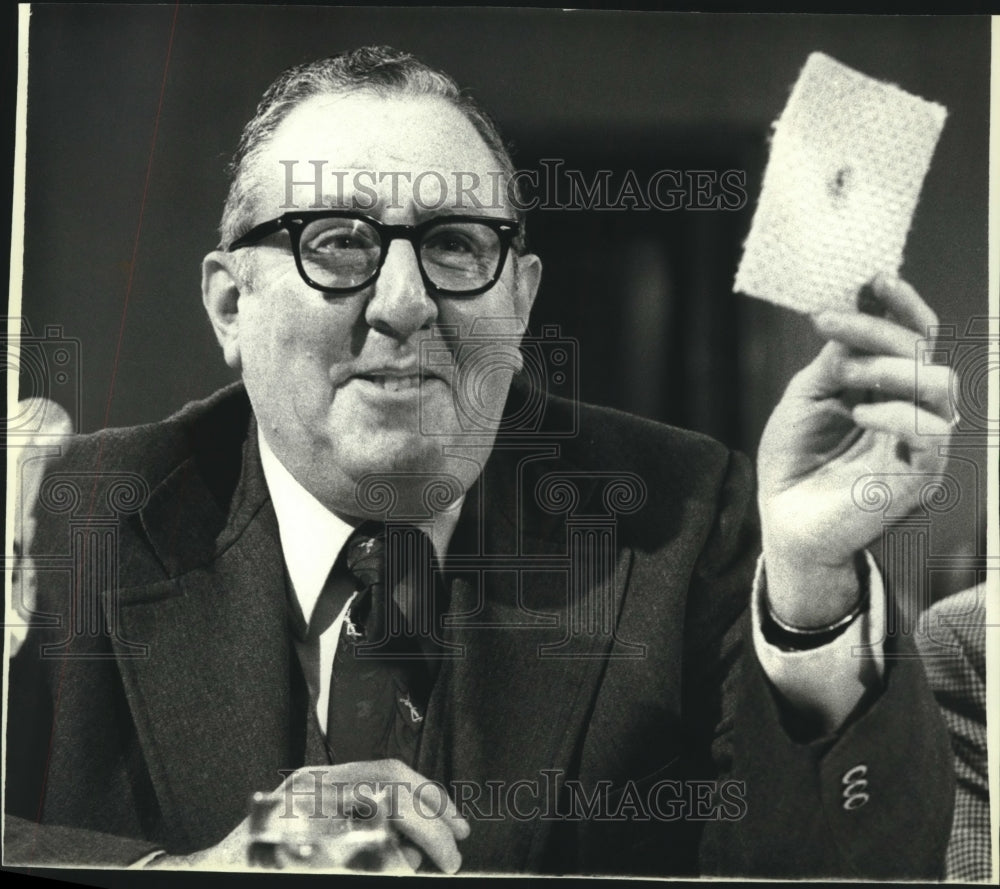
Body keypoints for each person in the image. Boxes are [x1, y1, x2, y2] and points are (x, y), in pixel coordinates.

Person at [5, 46, 957, 877]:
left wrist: (811, 580)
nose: (405, 302)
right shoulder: (63, 521)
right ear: (228, 306)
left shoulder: (683, 516)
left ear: (523, 299)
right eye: (337, 243)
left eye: (457, 245)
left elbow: (856, 874)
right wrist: (194, 873)